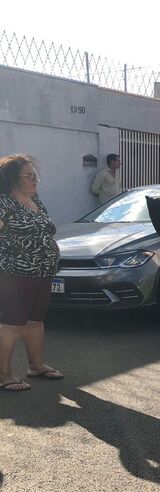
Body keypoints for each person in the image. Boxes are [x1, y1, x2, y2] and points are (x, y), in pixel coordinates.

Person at [0, 155, 63, 392]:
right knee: (12, 324)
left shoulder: (35, 199)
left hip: (42, 271)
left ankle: (36, 366)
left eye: (35, 175)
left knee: (35, 321)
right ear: (12, 180)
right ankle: (3, 375)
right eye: (29, 175)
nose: (34, 179)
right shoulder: (4, 203)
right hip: (14, 274)